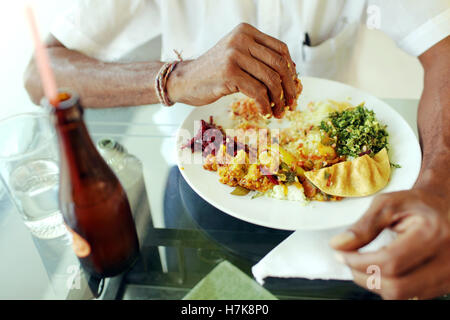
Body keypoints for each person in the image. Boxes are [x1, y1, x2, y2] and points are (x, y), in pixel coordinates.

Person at [24, 0, 449, 299]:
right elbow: (40, 74)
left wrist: (438, 187)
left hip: (343, 211)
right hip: (199, 190)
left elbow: (444, 49)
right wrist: (175, 77)